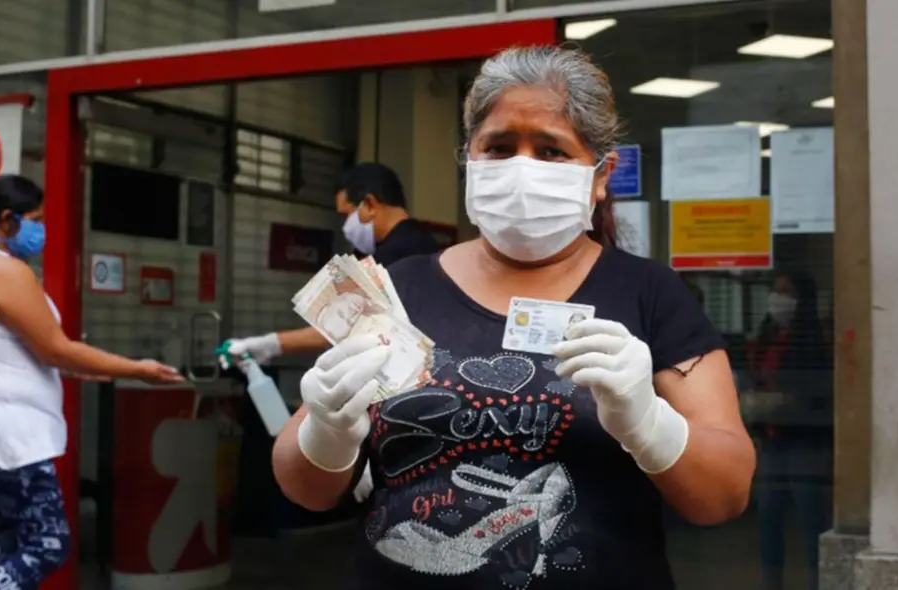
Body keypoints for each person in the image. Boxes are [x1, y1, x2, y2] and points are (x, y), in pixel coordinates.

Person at [270, 46, 756, 590]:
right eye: (498, 147)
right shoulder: (401, 289)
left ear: (601, 175)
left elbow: (725, 495)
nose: (522, 167)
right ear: (470, 160)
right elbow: (305, 489)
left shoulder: (650, 293)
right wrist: (327, 431)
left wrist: (649, 424)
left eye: (551, 151)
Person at [0, 175, 183, 589]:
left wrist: (85, 368)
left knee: (12, 546)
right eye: (35, 220)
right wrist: (139, 369)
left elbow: (12, 350)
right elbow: (56, 348)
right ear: (7, 220)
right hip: (8, 435)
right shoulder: (0, 270)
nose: (41, 232)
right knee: (46, 545)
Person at [227, 162, 441, 363]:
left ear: (369, 204)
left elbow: (340, 326)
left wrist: (268, 345)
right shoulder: (427, 245)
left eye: (347, 215)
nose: (346, 226)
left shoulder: (391, 257)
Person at [748, 272, 833, 590]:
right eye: (775, 290)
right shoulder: (768, 334)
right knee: (769, 519)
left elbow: (815, 392)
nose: (778, 298)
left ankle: (818, 582)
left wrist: (781, 402)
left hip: (804, 443)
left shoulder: (812, 340)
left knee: (812, 521)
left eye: (787, 292)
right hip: (772, 441)